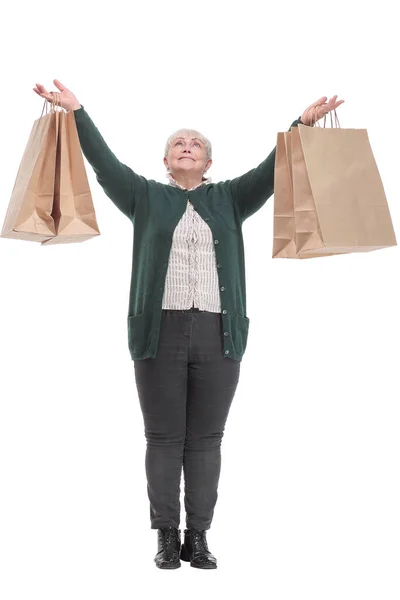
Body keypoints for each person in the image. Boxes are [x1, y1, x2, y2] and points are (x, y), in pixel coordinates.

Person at [33, 80, 344, 569]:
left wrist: (301, 125)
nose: (186, 146)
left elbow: (275, 169)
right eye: (178, 142)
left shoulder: (231, 198)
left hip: (220, 334)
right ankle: (164, 535)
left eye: (195, 143)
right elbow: (104, 164)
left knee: (206, 439)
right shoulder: (143, 196)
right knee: (162, 438)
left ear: (208, 163)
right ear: (165, 160)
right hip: (158, 331)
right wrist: (76, 113)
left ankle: (197, 536)